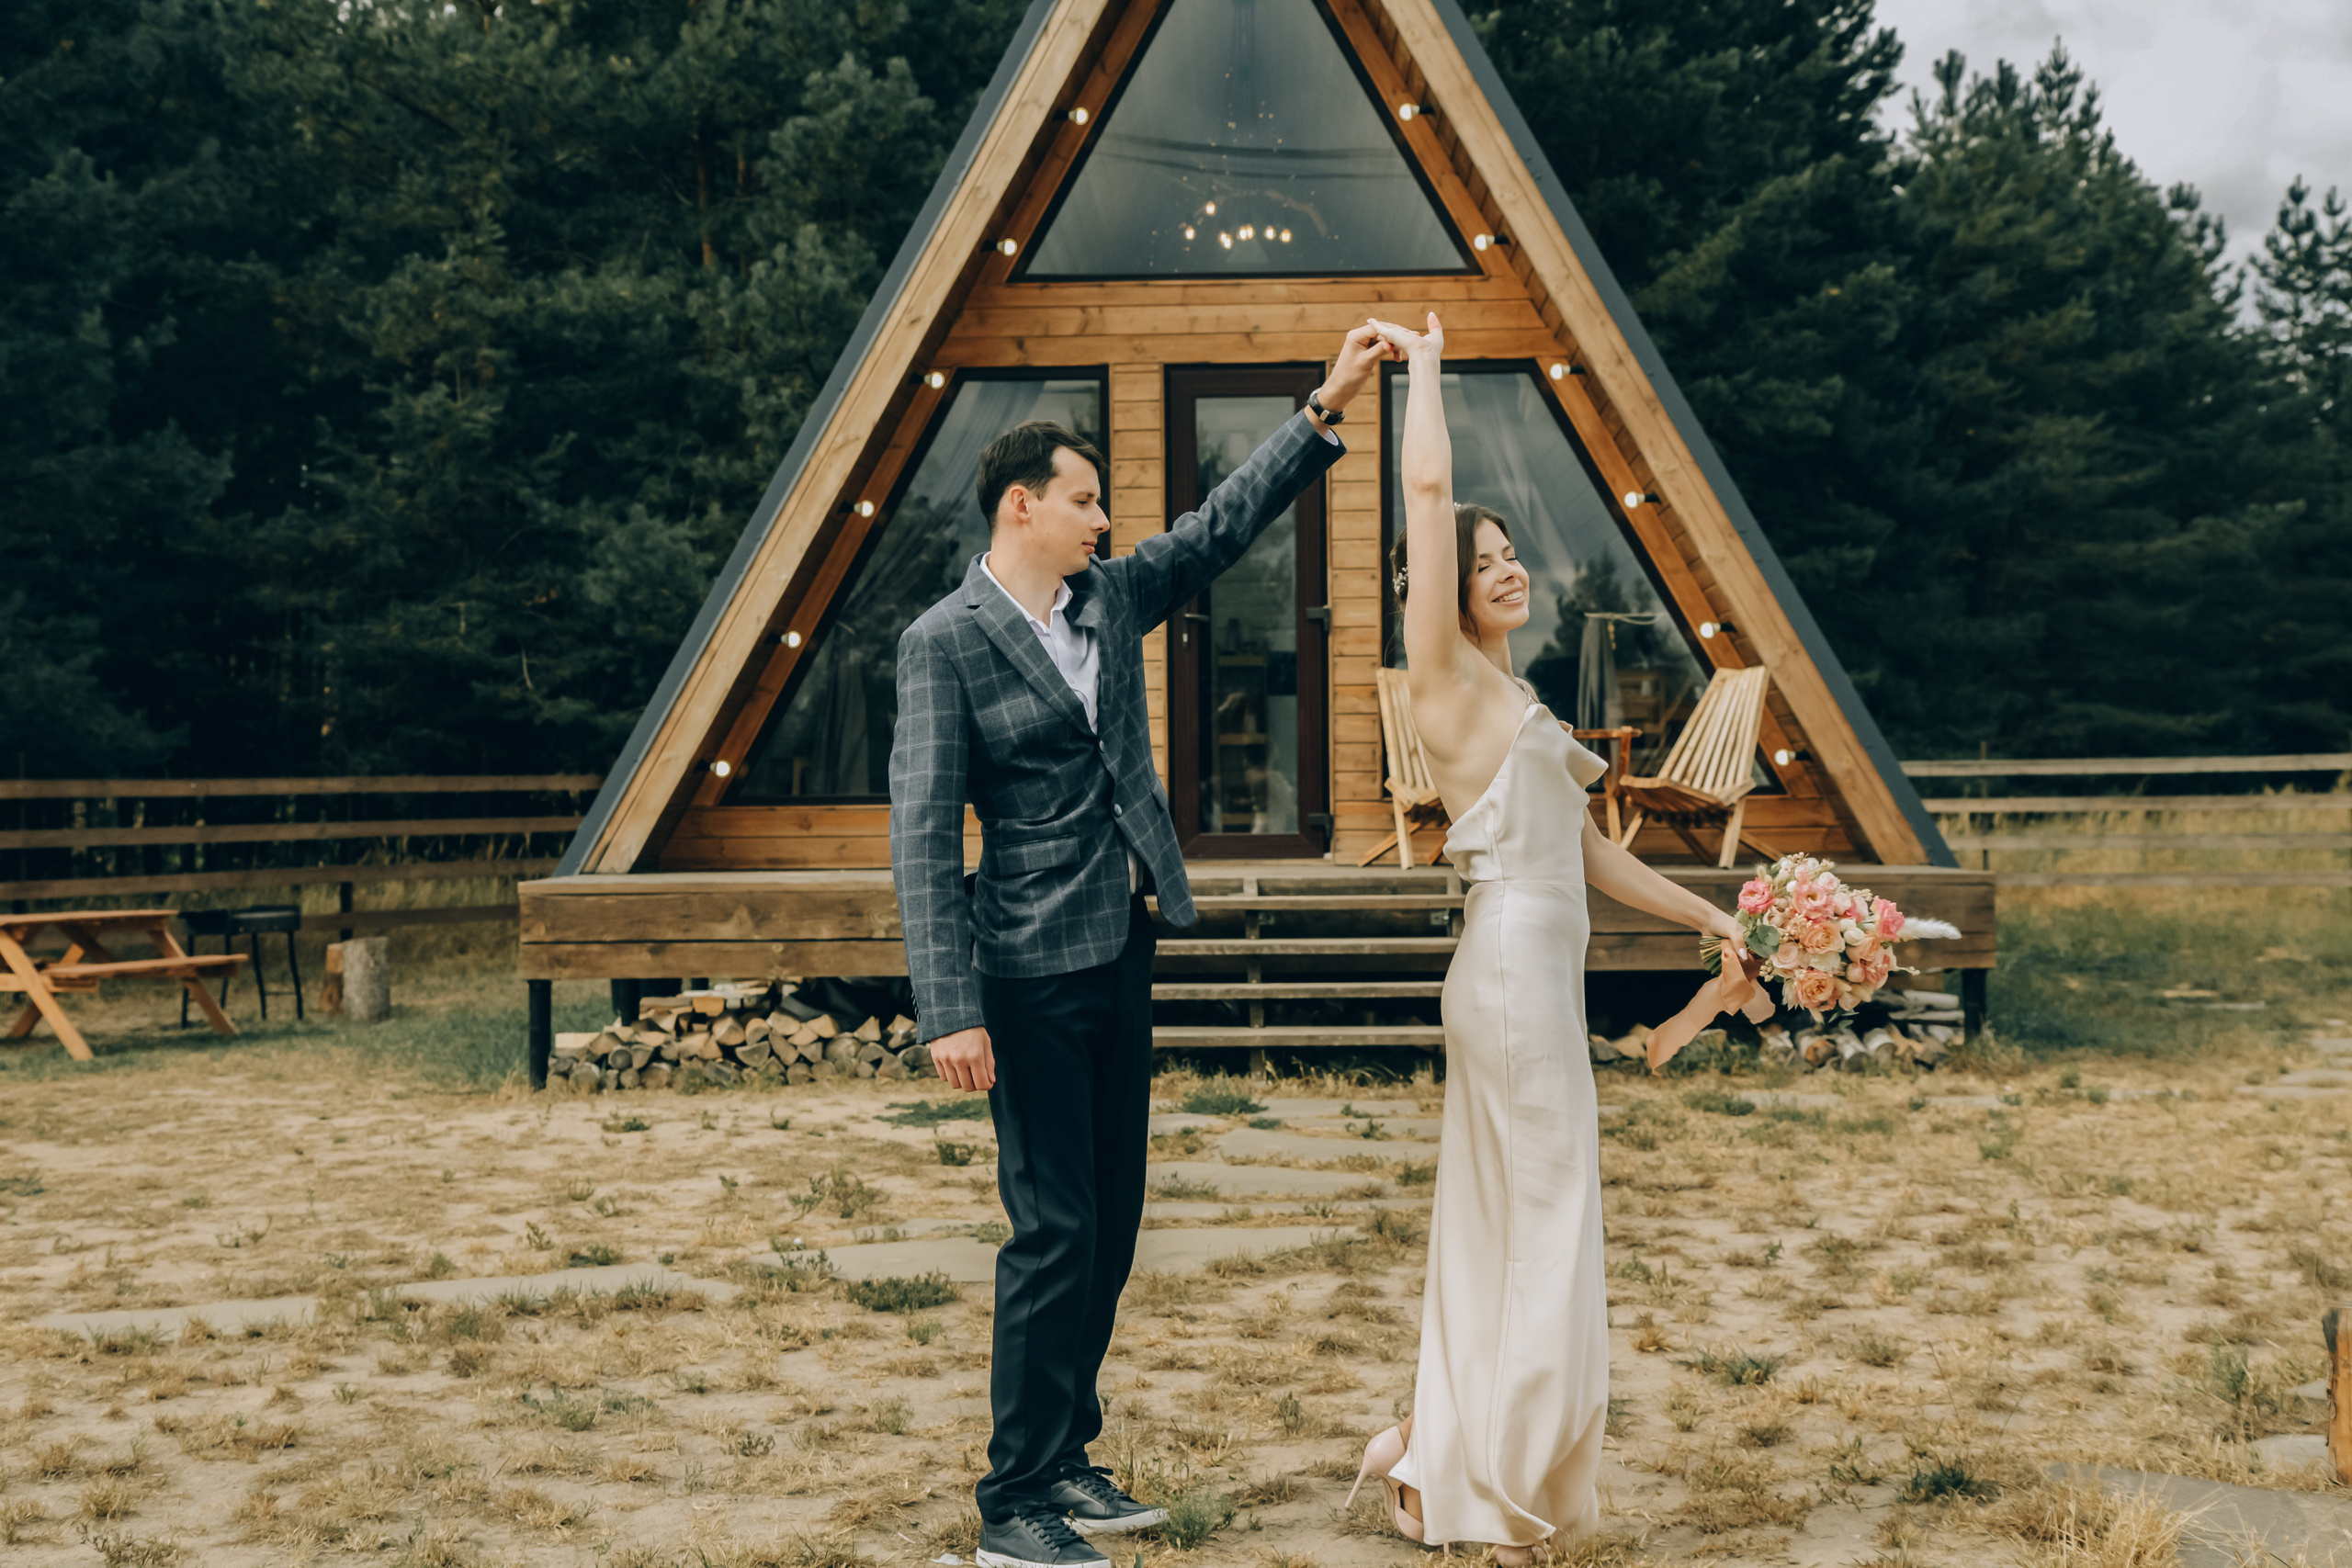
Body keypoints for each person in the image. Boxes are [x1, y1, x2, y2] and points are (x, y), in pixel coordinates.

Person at [888, 324, 1393, 1568]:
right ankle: (1014, 1501)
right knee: (1052, 1227)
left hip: (1120, 945)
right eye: (1086, 502)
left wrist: (1322, 409)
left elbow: (1220, 530)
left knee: (1110, 1223)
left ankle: (1067, 1453)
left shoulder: (1107, 597)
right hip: (1023, 972)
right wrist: (949, 1008)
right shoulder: (943, 641)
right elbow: (917, 835)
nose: (1105, 521)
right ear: (1023, 507)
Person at [1340, 313, 1748, 1563]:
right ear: (1448, 588)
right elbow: (1424, 489)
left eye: (1514, 554)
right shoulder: (1448, 681)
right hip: (1511, 979)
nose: (1509, 569)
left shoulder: (1519, 698)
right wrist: (1421, 366)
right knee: (1549, 1225)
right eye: (1487, 558)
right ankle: (1487, 1490)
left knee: (1498, 1226)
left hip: (1523, 979)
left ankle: (1433, 1457)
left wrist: (1713, 916)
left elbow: (1592, 856)